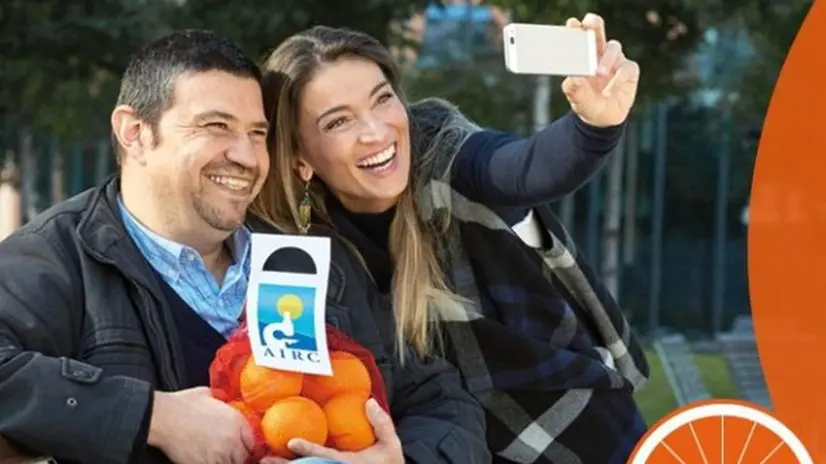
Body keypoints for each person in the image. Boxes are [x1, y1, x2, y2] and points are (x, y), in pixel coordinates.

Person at [0, 29, 489, 464]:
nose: (246, 157)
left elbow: (442, 401)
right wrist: (154, 416)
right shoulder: (58, 260)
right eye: (217, 127)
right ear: (135, 133)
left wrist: (400, 459)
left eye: (257, 133)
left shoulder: (315, 262)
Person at [252, 14, 649, 464]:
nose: (376, 132)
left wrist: (591, 128)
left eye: (382, 100)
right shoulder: (295, 243)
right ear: (300, 157)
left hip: (577, 432)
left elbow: (521, 169)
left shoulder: (442, 150)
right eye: (338, 122)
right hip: (453, 446)